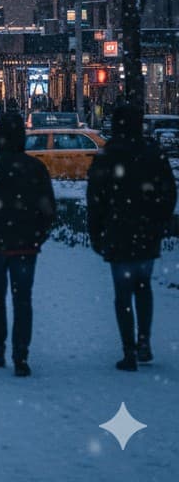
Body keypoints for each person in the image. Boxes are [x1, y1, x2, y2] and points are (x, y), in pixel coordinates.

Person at [87, 104, 177, 371]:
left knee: (123, 293)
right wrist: (158, 221)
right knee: (143, 287)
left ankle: (129, 349)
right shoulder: (152, 153)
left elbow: (95, 198)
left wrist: (97, 231)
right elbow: (168, 192)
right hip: (146, 230)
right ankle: (144, 342)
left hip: (119, 231)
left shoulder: (108, 155)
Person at [0, 111, 55, 377]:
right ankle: (21, 354)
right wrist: (37, 235)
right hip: (26, 245)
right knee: (22, 300)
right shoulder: (35, 169)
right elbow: (48, 209)